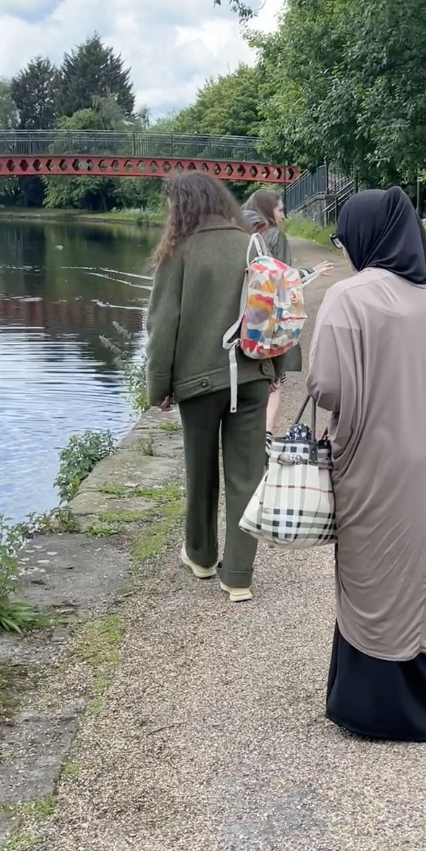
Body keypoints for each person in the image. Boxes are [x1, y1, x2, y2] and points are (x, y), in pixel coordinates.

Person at [307, 186, 426, 742]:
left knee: (382, 575)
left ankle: (381, 707)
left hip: (383, 467)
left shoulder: (353, 298)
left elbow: (325, 385)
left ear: (366, 239)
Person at [146, 172, 284, 603]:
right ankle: (239, 576)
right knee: (247, 475)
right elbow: (272, 311)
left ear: (182, 206)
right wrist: (274, 367)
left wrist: (159, 387)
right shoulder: (253, 243)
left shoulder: (180, 250)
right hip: (251, 375)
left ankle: (202, 557)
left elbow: (162, 325)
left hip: (199, 380)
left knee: (200, 471)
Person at [244, 189, 331, 439]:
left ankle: (251, 434)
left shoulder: (243, 234)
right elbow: (284, 281)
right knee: (274, 383)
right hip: (269, 324)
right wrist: (308, 273)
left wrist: (309, 271)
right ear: (268, 210)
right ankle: (267, 435)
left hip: (245, 323)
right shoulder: (274, 236)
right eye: (280, 209)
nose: (283, 215)